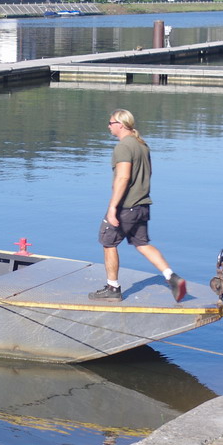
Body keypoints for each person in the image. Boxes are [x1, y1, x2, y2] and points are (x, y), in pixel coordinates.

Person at [90, 109, 187, 302]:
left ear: (121, 124)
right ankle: (171, 277)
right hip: (142, 205)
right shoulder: (142, 145)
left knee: (108, 242)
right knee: (142, 244)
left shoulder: (124, 147)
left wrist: (112, 208)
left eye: (110, 123)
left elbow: (123, 177)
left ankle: (113, 288)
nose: (108, 126)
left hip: (126, 205)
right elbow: (147, 174)